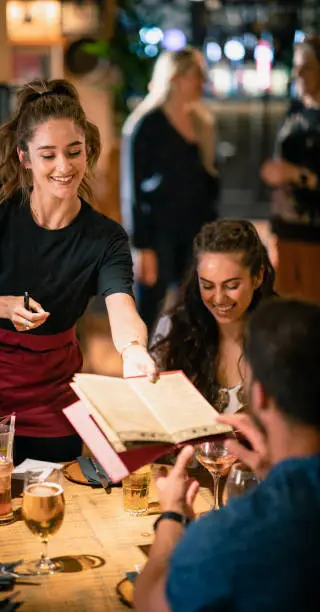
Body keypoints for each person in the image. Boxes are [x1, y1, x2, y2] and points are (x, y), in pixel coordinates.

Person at [0, 79, 157, 465]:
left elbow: (121, 305)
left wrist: (134, 350)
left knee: (56, 494)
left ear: (87, 151)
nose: (64, 167)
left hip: (52, 392)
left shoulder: (105, 238)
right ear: (25, 157)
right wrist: (3, 306)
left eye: (74, 152)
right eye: (48, 155)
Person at [135, 298, 320, 612]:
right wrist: (273, 472)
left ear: (259, 396)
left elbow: (150, 601)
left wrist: (172, 517)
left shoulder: (231, 534)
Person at [120, 47, 219, 333]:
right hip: (158, 231)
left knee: (193, 306)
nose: (203, 81)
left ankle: (184, 369)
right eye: (198, 74)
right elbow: (132, 192)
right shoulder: (145, 124)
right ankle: (141, 369)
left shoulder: (203, 122)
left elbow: (209, 180)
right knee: (149, 309)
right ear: (176, 77)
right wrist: (141, 246)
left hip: (196, 229)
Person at [151, 219, 276, 414]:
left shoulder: (280, 337)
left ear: (258, 277)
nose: (218, 299)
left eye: (231, 285)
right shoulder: (174, 330)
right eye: (207, 286)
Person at [261, 35, 320, 303]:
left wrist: (297, 175)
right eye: (295, 66)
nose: (298, 74)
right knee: (287, 314)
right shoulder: (294, 110)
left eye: (306, 66)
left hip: (315, 233)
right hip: (286, 229)